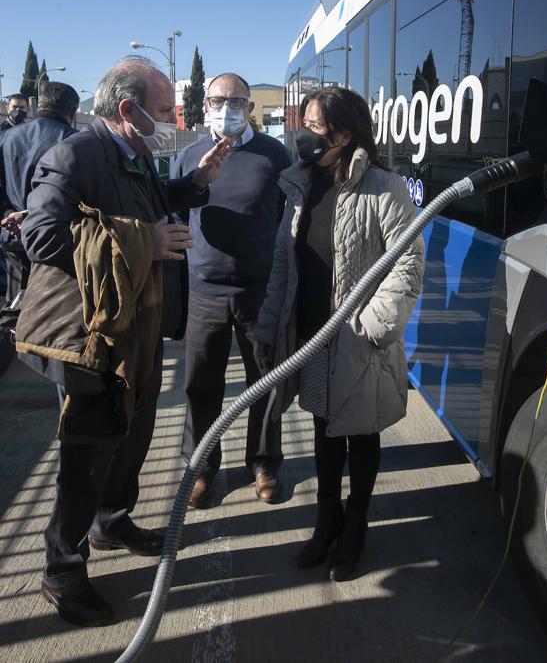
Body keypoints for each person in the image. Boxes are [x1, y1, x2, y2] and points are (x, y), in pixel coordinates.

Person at [18, 58, 228, 627]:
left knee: (133, 432)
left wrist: (194, 185)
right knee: (87, 451)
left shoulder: (134, 155)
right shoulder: (75, 156)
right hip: (90, 338)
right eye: (163, 112)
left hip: (137, 329)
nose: (171, 120)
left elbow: (148, 207)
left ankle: (111, 520)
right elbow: (42, 237)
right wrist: (145, 241)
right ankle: (62, 572)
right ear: (128, 111)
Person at [255, 87, 424, 581]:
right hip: (310, 335)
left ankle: (355, 525)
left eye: (314, 124)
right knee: (324, 428)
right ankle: (325, 519)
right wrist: (270, 327)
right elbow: (283, 266)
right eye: (303, 120)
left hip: (358, 341)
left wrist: (369, 331)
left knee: (361, 433)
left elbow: (408, 266)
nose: (302, 131)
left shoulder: (383, 187)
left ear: (344, 135)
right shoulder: (300, 184)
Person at [172, 72, 291, 507]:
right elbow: (177, 217)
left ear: (251, 108)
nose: (228, 107)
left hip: (258, 290)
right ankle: (202, 467)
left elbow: (287, 218)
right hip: (204, 290)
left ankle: (263, 463)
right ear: (204, 106)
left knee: (264, 381)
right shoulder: (187, 158)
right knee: (201, 384)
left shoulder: (273, 154)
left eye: (237, 100)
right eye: (219, 100)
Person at [0, 82, 79, 302]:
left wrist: (9, 216)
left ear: (37, 107)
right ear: (72, 112)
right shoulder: (75, 142)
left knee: (15, 304)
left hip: (14, 237)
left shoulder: (6, 138)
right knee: (49, 308)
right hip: (54, 242)